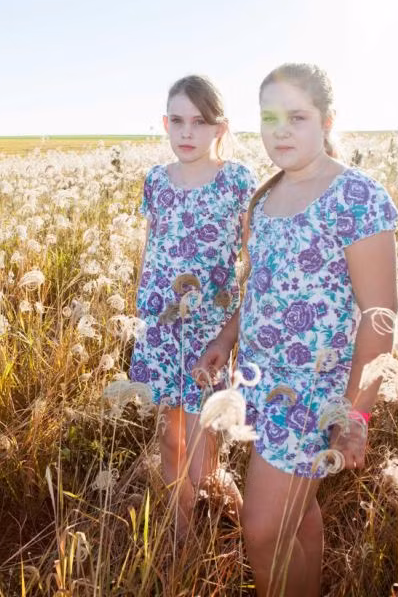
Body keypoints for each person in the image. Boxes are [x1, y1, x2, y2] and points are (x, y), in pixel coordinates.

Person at [195, 63, 398, 596]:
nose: (280, 130)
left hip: (315, 391)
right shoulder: (264, 198)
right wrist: (225, 340)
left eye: (297, 116)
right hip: (261, 382)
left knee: (261, 531)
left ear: (327, 120)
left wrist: (356, 412)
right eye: (269, 117)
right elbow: (259, 290)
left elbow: (380, 315)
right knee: (297, 515)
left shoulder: (356, 197)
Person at [130, 74, 257, 541]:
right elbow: (152, 247)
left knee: (204, 458)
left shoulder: (237, 181)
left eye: (199, 122)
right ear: (165, 123)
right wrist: (141, 308)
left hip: (209, 334)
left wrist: (234, 329)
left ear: (219, 128)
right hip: (161, 330)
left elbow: (253, 258)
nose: (187, 133)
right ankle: (180, 540)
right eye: (178, 121)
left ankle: (244, 532)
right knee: (170, 439)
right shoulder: (156, 181)